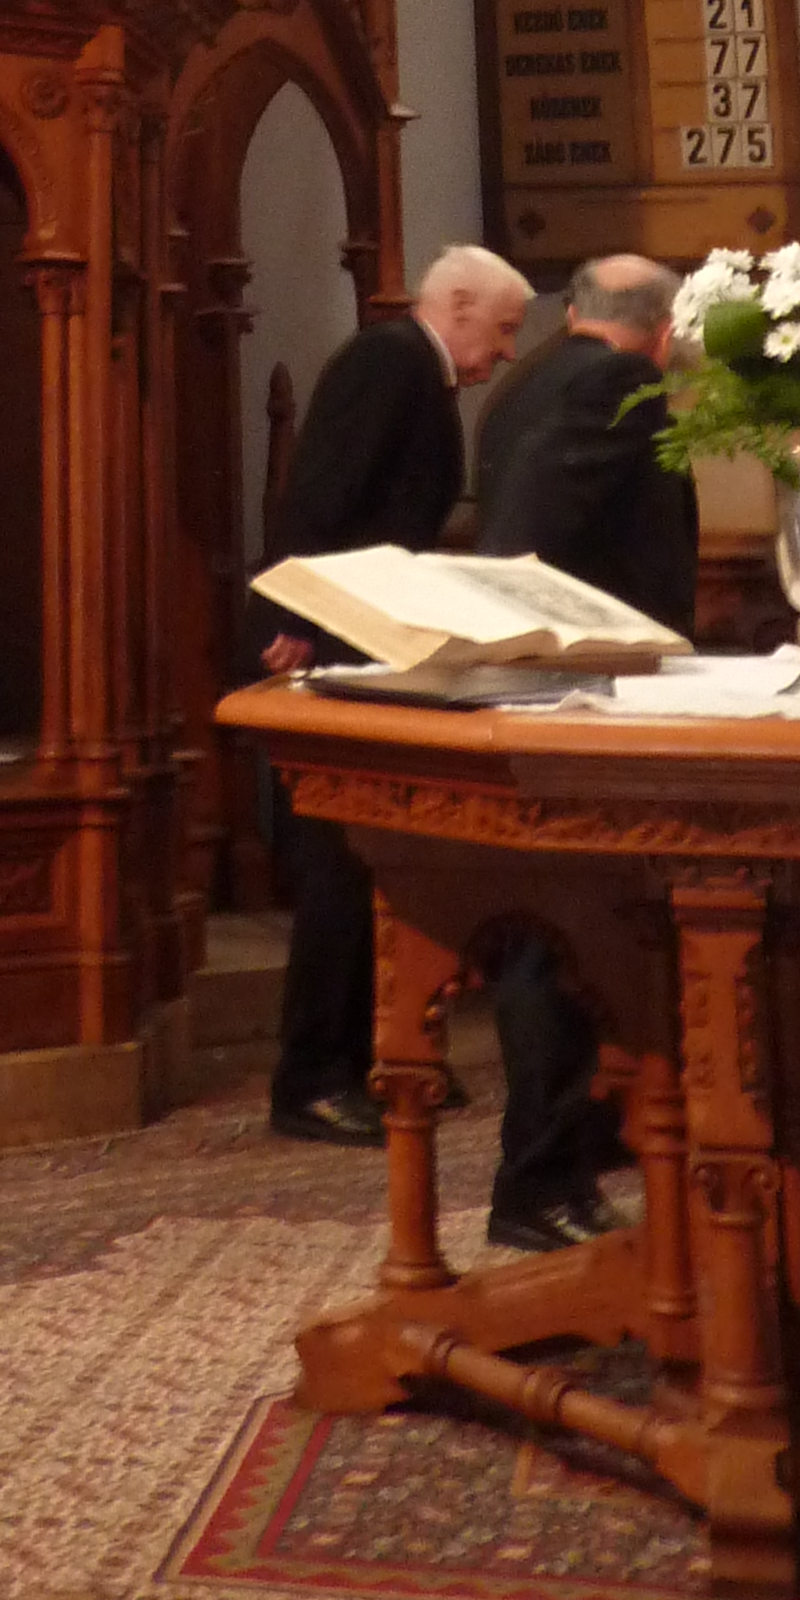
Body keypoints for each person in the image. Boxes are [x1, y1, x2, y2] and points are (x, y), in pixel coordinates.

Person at [257, 243, 533, 1146]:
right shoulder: (387, 363)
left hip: (372, 643)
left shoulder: (417, 369)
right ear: (457, 305)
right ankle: (311, 1080)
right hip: (333, 644)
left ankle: (378, 1059)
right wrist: (296, 618)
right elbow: (318, 502)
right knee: (336, 871)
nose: (506, 351)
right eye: (502, 329)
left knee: (372, 868)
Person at [472, 253, 693, 1248]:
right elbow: (532, 541)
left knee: (563, 935)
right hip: (586, 693)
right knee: (562, 944)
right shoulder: (616, 383)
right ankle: (539, 1183)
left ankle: (588, 1138)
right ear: (664, 329)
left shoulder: (522, 382)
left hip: (541, 688)